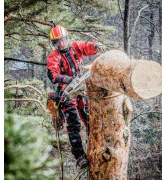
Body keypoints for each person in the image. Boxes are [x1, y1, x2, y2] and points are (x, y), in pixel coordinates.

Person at [47, 23, 107, 169]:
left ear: (67, 38)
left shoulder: (75, 47)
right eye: (58, 41)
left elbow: (86, 46)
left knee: (90, 117)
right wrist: (65, 79)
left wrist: (96, 46)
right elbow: (52, 74)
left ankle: (98, 143)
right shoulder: (54, 57)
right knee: (73, 124)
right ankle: (79, 155)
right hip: (66, 92)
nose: (62, 43)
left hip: (81, 87)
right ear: (55, 43)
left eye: (63, 39)